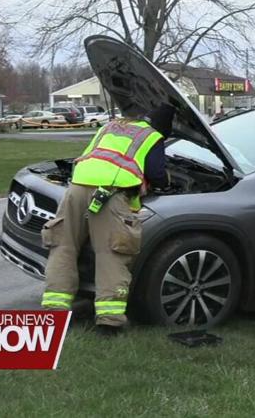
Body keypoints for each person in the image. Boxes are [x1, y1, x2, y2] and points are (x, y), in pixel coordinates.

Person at [40, 104, 175, 336]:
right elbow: (157, 175)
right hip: (110, 194)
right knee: (111, 253)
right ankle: (109, 322)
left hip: (76, 187)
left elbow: (90, 155)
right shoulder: (153, 137)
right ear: (163, 127)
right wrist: (165, 180)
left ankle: (54, 312)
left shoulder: (110, 127)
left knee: (63, 246)